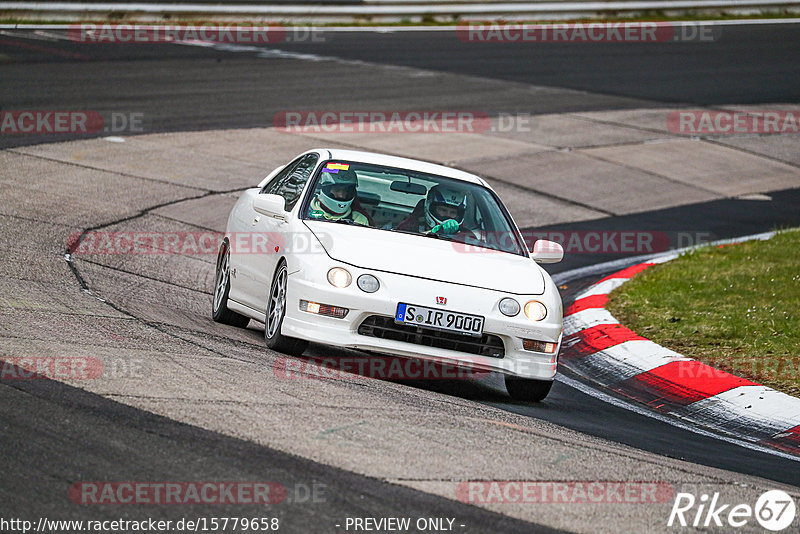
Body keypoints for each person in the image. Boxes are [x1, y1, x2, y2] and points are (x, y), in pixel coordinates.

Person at [397, 184, 478, 239]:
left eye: (453, 212)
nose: (448, 215)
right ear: (429, 206)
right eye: (443, 210)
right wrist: (430, 234)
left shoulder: (467, 236)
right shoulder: (410, 226)